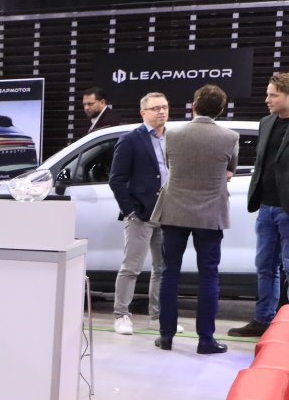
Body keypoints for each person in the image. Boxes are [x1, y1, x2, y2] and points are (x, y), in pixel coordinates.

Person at [151, 84, 238, 353]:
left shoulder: (173, 134)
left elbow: (170, 164)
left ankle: (166, 336)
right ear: (220, 110)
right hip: (210, 214)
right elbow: (230, 169)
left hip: (174, 211)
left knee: (169, 272)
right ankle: (206, 340)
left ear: (194, 106)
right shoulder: (230, 137)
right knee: (209, 275)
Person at [108, 92, 179, 335]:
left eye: (165, 107)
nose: (162, 112)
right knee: (131, 267)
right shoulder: (130, 140)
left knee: (162, 268)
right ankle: (121, 314)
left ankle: (159, 316)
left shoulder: (173, 138)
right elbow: (116, 179)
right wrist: (130, 211)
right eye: (156, 108)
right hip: (141, 213)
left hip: (167, 213)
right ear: (143, 113)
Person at [229, 72, 289, 338]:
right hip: (266, 207)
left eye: (273, 95)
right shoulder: (266, 122)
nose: (267, 99)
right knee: (265, 265)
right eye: (267, 94)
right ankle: (263, 319)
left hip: (287, 208)